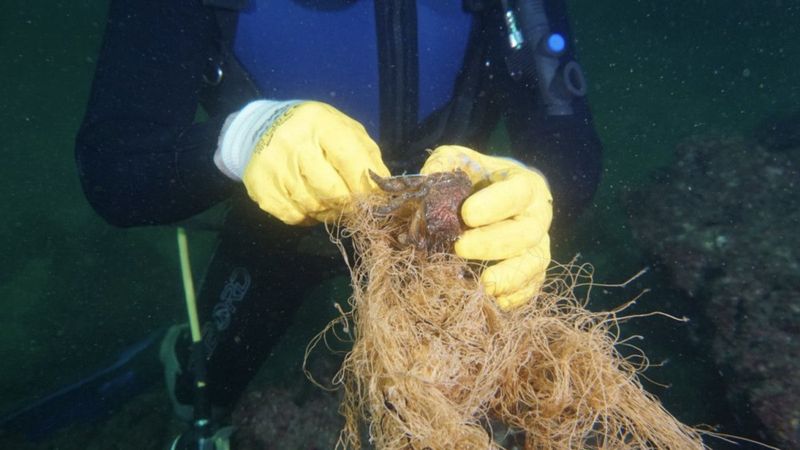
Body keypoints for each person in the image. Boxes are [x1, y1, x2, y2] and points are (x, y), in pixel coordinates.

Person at [74, 0, 602, 445]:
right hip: (275, 230)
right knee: (203, 395)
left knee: (487, 412)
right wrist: (239, 137)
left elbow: (569, 141)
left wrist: (534, 186)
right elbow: (114, 173)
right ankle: (175, 360)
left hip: (448, 241)